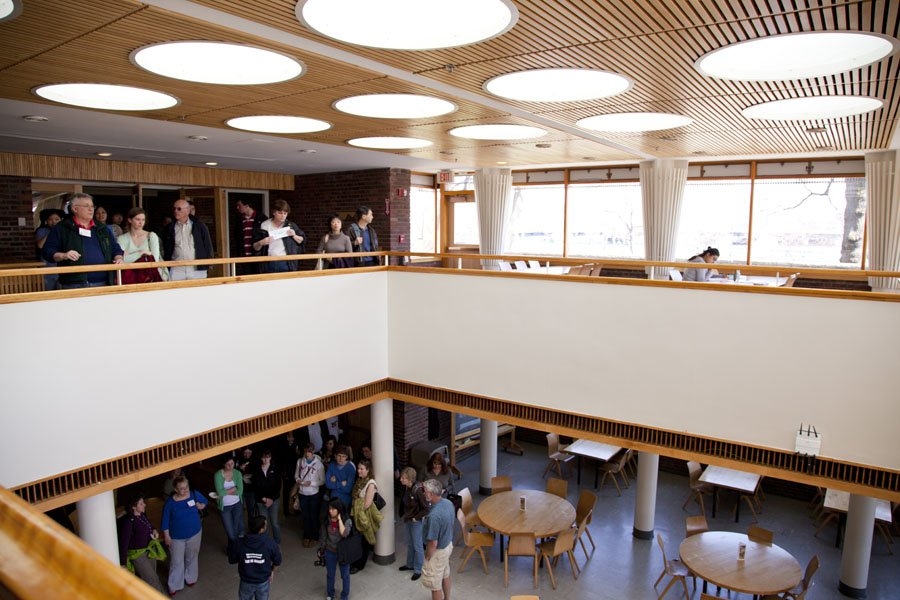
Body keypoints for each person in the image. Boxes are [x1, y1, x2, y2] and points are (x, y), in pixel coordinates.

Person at [41, 193, 125, 288]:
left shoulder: (102, 228)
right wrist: (63, 255)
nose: (91, 209)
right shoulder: (61, 228)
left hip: (103, 282)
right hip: (73, 284)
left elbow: (115, 248)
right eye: (86, 206)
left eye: (92, 206)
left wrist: (119, 258)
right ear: (75, 209)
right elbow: (47, 251)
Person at [161, 475, 207, 595]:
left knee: (192, 556)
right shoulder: (170, 503)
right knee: (177, 561)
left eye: (186, 487)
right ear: (176, 490)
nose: (185, 490)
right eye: (182, 488)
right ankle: (174, 585)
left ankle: (190, 577)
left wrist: (201, 506)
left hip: (195, 533)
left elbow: (204, 501)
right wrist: (166, 536)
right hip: (176, 538)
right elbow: (165, 521)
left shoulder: (193, 494)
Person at [117, 493, 166, 593]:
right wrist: (123, 563)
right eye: (141, 503)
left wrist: (154, 530)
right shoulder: (129, 522)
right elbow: (124, 544)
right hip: (138, 555)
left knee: (153, 577)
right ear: (133, 507)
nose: (145, 504)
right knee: (153, 580)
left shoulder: (142, 515)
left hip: (149, 550)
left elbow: (149, 524)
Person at [228, 515, 282, 600]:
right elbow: (278, 561)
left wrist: (246, 559)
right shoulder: (270, 543)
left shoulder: (239, 543)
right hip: (263, 581)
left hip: (245, 581)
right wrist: (272, 571)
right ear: (261, 529)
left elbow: (231, 560)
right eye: (265, 525)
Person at [162, 198, 213, 281]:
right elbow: (166, 247)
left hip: (197, 268)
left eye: (179, 209)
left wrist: (208, 263)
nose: (176, 211)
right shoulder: (170, 227)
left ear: (187, 210)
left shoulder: (199, 226)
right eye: (174, 209)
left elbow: (207, 245)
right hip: (176, 269)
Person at [251, 199, 306, 273]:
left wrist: (294, 235)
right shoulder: (264, 225)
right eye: (280, 213)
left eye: (285, 213)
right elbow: (255, 247)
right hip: (268, 261)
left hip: (286, 262)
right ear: (274, 212)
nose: (283, 216)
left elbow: (302, 241)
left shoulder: (291, 225)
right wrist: (261, 242)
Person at [421, 479, 454, 600]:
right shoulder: (448, 503)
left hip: (438, 552)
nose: (424, 494)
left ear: (431, 494)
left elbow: (433, 543)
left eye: (425, 491)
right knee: (445, 575)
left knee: (435, 585)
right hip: (447, 545)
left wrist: (428, 557)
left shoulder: (434, 516)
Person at [349, 459, 383, 573]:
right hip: (355, 513)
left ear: (368, 470)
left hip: (363, 515)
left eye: (361, 469)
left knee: (363, 540)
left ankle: (360, 564)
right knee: (356, 539)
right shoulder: (359, 480)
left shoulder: (371, 483)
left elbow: (367, 503)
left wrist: (357, 510)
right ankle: (356, 560)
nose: (359, 471)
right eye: (358, 468)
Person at [117, 207, 168, 282]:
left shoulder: (151, 236)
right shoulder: (122, 239)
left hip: (149, 279)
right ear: (130, 220)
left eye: (143, 220)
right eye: (137, 219)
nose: (141, 222)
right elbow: (122, 260)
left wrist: (130, 255)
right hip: (130, 280)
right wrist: (142, 252)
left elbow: (155, 260)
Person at [398, 466, 428, 581]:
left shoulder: (418, 490)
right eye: (402, 477)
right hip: (408, 519)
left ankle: (418, 569)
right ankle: (409, 564)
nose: (401, 479)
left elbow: (425, 509)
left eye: (404, 478)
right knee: (410, 543)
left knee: (418, 545)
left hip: (415, 521)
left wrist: (416, 518)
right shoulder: (407, 488)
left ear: (410, 479)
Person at [320, 498, 352, 600]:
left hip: (343, 552)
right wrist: (322, 549)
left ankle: (344, 595)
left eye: (333, 509)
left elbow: (344, 534)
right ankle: (330, 594)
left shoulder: (347, 520)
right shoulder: (326, 520)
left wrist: (339, 520)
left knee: (345, 575)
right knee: (330, 574)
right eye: (329, 508)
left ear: (339, 509)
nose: (330, 511)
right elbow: (324, 536)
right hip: (330, 551)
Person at [295, 442, 326, 547]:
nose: (307, 454)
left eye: (309, 451)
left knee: (313, 515)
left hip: (313, 494)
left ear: (313, 452)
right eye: (305, 451)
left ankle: (315, 536)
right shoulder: (300, 462)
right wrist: (298, 480)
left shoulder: (319, 465)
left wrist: (311, 483)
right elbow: (296, 475)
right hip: (302, 493)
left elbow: (322, 481)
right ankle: (307, 536)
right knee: (305, 515)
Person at [214, 455, 245, 552]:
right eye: (228, 464)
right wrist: (234, 488)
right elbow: (220, 492)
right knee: (231, 533)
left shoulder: (237, 473)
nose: (231, 466)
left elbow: (240, 491)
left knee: (235, 529)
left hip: (237, 504)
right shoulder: (218, 475)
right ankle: (236, 548)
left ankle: (232, 550)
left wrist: (225, 491)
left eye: (232, 463)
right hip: (225, 507)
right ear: (223, 464)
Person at [252, 449, 282, 544]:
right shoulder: (257, 469)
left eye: (267, 457)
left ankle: (277, 541)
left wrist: (271, 499)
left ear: (270, 458)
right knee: (263, 523)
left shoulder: (275, 468)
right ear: (261, 458)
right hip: (261, 500)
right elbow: (255, 486)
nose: (266, 459)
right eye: (264, 457)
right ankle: (264, 542)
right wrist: (263, 498)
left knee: (275, 522)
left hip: (274, 500)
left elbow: (278, 486)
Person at [234, 199, 267, 275]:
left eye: (239, 205)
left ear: (247, 206)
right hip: (244, 256)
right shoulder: (239, 220)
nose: (237, 208)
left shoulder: (261, 218)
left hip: (258, 256)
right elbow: (237, 238)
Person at [34, 208, 65, 290]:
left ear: (61, 220)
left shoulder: (64, 231)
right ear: (46, 221)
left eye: (56, 219)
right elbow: (40, 245)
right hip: (47, 267)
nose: (53, 222)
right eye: (50, 219)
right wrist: (51, 232)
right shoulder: (42, 231)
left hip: (61, 267)